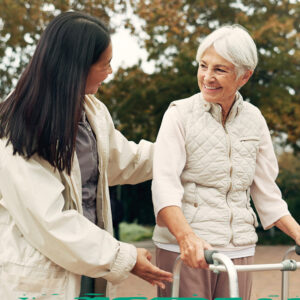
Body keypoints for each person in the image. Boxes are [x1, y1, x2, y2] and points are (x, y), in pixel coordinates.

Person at [0, 11, 172, 300]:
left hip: (90, 271)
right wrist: (124, 258)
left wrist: (183, 152)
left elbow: (124, 161)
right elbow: (49, 220)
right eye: (105, 64)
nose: (110, 72)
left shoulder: (91, 112)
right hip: (41, 278)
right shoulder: (16, 128)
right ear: (76, 67)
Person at [151, 24, 300, 299]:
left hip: (239, 249)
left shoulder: (254, 119)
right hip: (188, 252)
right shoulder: (179, 114)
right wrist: (187, 238)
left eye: (220, 69)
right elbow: (165, 186)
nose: (207, 77)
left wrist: (298, 232)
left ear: (244, 76)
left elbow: (267, 193)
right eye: (203, 65)